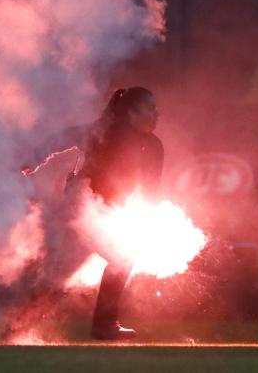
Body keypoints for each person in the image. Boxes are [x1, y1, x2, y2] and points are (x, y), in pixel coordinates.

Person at [80, 87, 163, 340]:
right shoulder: (104, 131)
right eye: (150, 109)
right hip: (79, 209)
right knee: (121, 260)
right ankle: (104, 326)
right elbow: (61, 139)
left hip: (105, 214)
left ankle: (17, 325)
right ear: (131, 112)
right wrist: (34, 161)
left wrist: (148, 222)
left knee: (63, 270)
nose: (156, 115)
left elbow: (150, 190)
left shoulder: (153, 145)